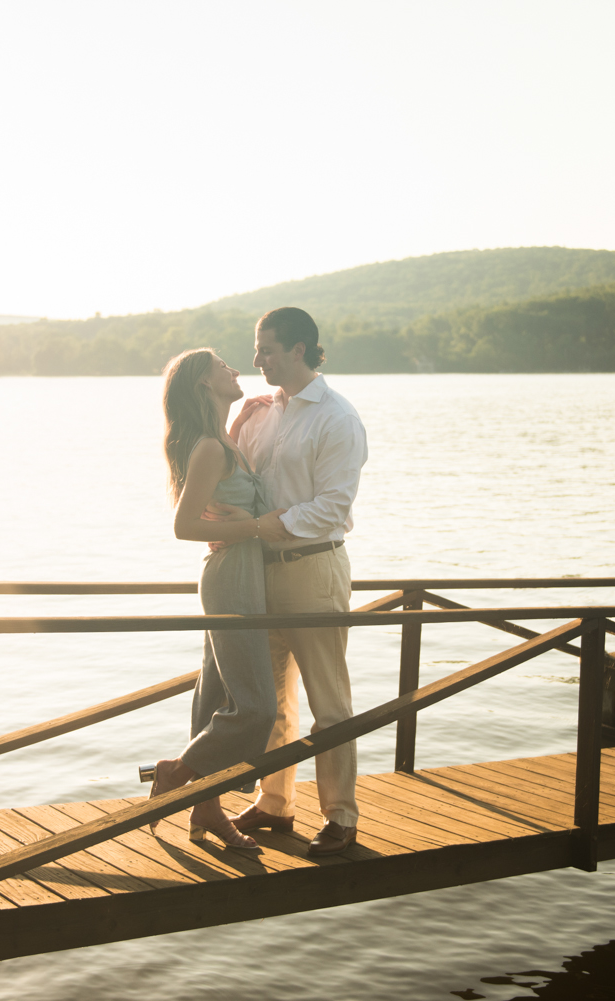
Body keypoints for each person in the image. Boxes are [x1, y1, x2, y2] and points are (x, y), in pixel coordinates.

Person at [222, 306, 369, 857]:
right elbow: (236, 480)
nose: (255, 359)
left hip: (313, 568)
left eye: (265, 349)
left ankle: (341, 815)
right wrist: (233, 424)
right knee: (269, 697)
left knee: (328, 700)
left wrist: (261, 528)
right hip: (257, 573)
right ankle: (275, 804)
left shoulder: (336, 417)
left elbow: (332, 507)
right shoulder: (261, 413)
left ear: (298, 350)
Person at [147, 348, 291, 851]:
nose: (235, 371)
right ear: (204, 386)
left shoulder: (221, 443)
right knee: (256, 707)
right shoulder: (210, 448)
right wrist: (257, 526)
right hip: (231, 577)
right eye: (222, 367)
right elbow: (184, 525)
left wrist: (239, 423)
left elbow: (218, 492)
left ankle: (207, 811)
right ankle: (176, 772)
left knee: (217, 698)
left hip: (240, 573)